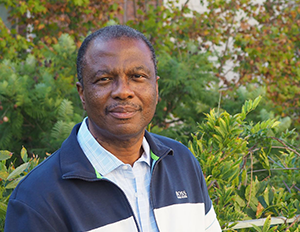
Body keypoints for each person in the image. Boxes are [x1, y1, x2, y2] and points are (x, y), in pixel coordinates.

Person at [5, 25, 221, 232]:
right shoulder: (38, 197)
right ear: (82, 94)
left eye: (137, 77)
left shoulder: (181, 163)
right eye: (104, 79)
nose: (123, 92)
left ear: (155, 87)